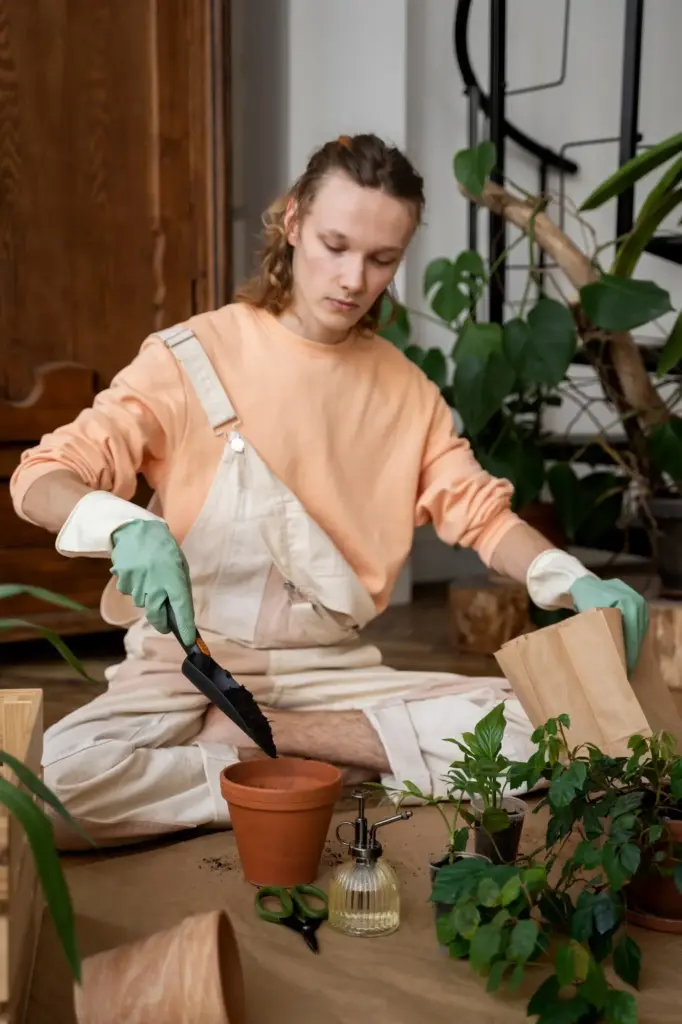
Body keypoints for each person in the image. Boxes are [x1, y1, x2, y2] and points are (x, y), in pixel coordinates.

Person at [11, 133, 648, 849]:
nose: (353, 279)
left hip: (333, 675)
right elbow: (41, 475)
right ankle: (333, 768)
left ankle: (274, 744)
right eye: (335, 245)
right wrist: (123, 524)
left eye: (382, 259)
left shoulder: (407, 392)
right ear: (293, 222)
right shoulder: (191, 356)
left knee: (559, 732)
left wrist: (569, 576)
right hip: (192, 663)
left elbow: (481, 515)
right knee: (43, 793)